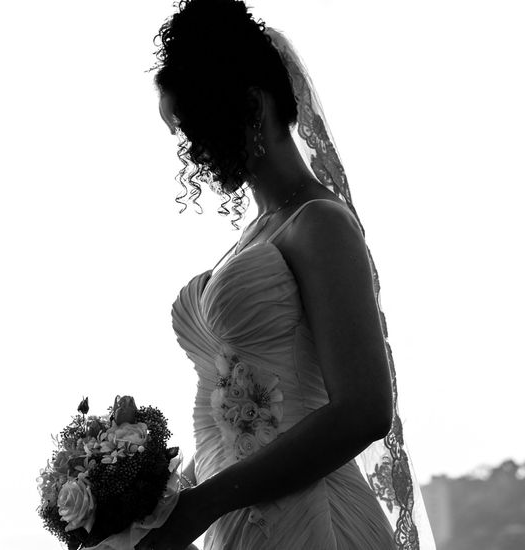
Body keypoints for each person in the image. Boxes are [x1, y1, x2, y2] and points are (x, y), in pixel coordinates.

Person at [138, 1, 435, 548]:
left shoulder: (320, 224)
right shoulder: (257, 235)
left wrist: (206, 503)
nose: (192, 148)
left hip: (314, 520)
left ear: (253, 105)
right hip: (235, 520)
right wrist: (156, 503)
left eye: (197, 125)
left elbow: (365, 410)